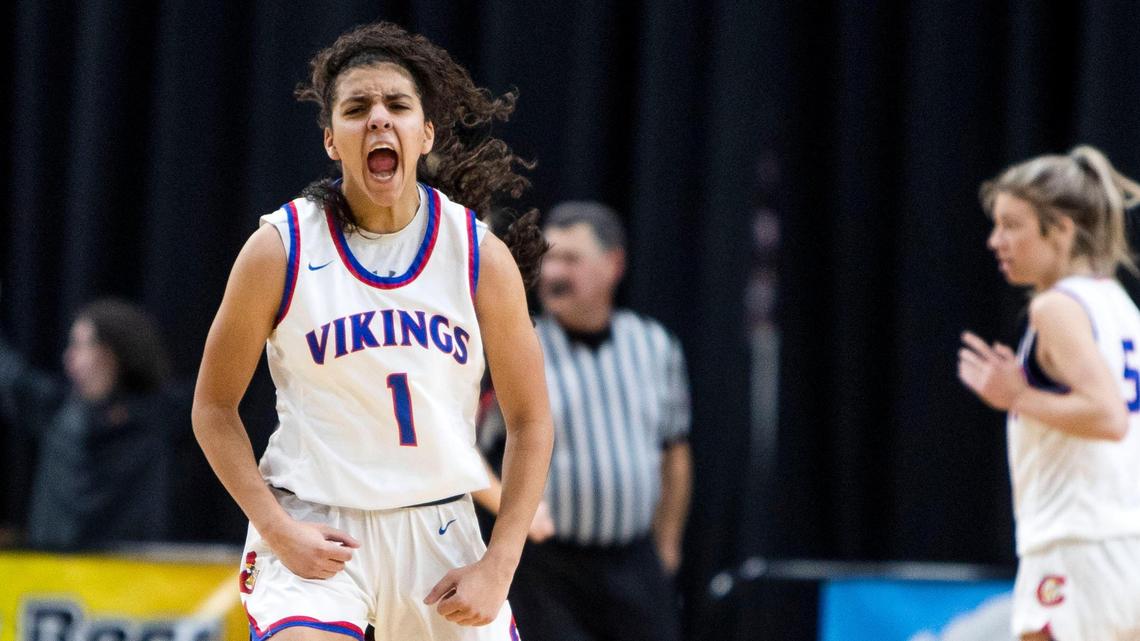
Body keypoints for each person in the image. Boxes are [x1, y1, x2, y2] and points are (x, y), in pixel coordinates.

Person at [191, 21, 553, 641]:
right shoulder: (280, 248)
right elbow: (212, 408)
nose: (378, 118)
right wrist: (276, 527)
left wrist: (499, 564)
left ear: (425, 132)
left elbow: (531, 421)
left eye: (397, 105)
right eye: (357, 108)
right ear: (332, 140)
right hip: (315, 519)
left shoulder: (477, 255)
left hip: (439, 527)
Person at [478, 201, 692, 641]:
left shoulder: (654, 344)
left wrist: (668, 542)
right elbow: (461, 447)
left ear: (613, 265)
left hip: (634, 561)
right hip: (549, 568)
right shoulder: (519, 344)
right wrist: (509, 506)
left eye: (570, 259)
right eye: (549, 259)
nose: (553, 273)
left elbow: (675, 451)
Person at [958, 145, 1140, 640]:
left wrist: (1016, 396)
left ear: (1060, 228)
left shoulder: (1055, 307)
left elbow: (1108, 416)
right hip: (1122, 542)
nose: (996, 240)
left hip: (1075, 547)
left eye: (1012, 225)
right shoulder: (1118, 303)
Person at [0, 297, 173, 550]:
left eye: (80, 345)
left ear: (112, 351)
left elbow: (219, 399)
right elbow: (8, 373)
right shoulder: (54, 410)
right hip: (53, 565)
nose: (69, 356)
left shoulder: (157, 417)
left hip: (129, 568)